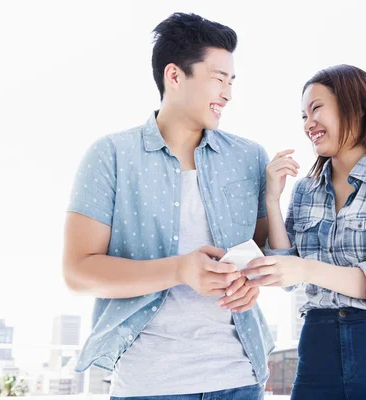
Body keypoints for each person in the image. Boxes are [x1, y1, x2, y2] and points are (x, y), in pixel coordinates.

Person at [62, 12, 273, 400]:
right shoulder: (111, 155)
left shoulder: (250, 157)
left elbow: (264, 253)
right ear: (174, 76)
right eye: (217, 78)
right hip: (150, 384)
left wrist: (251, 283)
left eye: (231, 81)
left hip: (239, 378)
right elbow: (78, 271)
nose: (227, 93)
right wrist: (179, 269)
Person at [243, 64, 366, 399]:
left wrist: (306, 269)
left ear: (357, 109)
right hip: (318, 348)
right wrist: (272, 199)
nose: (308, 124)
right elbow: (288, 277)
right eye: (303, 116)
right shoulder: (305, 190)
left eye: (316, 108)